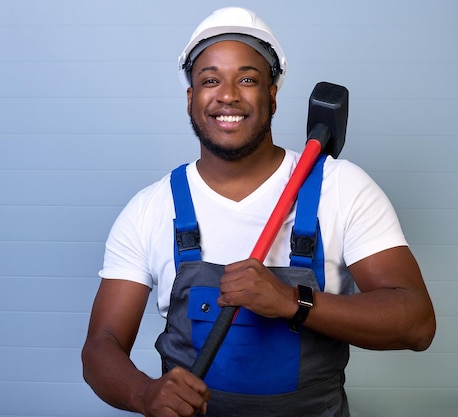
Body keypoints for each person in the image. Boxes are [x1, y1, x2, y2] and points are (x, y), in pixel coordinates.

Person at [81, 6, 436, 417]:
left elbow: (416, 323)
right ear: (191, 98)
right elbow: (100, 346)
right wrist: (144, 394)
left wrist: (291, 301)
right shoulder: (150, 208)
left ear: (272, 94)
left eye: (247, 79)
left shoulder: (341, 188)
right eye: (210, 79)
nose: (227, 94)